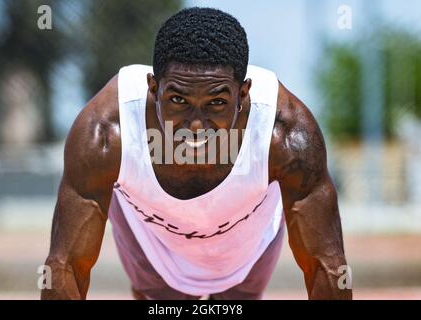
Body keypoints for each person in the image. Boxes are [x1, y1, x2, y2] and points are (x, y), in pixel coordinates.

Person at [41, 7, 352, 300]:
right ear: (153, 89)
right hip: (153, 247)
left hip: (245, 246)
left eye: (216, 103)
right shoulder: (106, 132)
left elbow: (326, 264)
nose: (196, 125)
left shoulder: (285, 133)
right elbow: (65, 264)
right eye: (178, 100)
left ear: (243, 94)